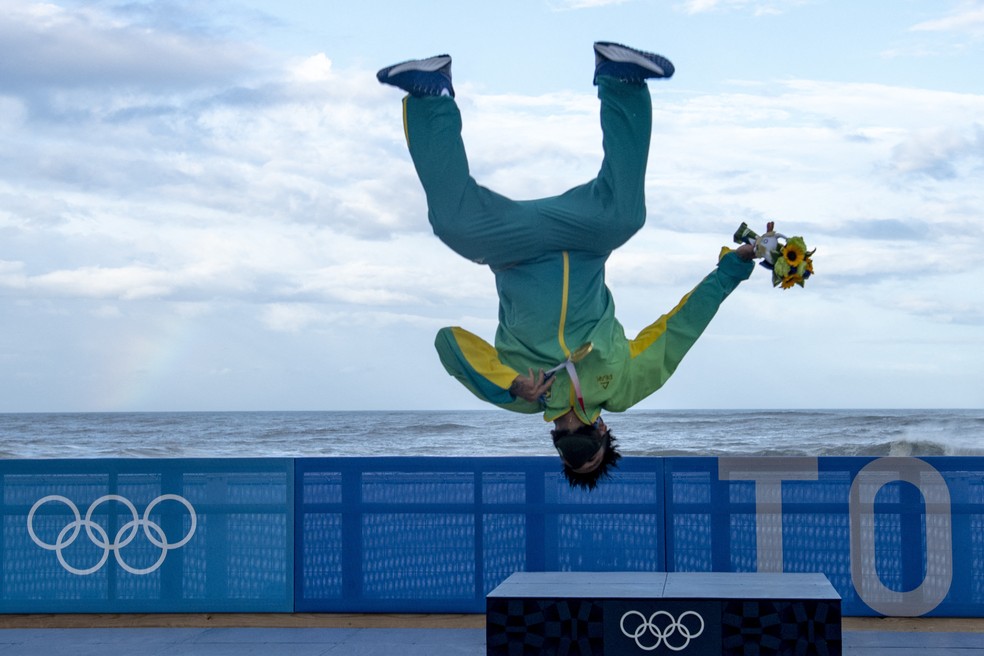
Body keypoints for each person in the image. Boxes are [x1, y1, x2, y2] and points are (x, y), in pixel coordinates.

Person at [377, 42, 755, 490]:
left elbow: (449, 343)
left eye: (568, 452)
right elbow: (679, 330)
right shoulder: (623, 388)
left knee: (453, 225)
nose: (574, 442)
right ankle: (619, 80)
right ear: (603, 433)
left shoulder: (518, 398)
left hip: (512, 250)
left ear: (555, 444)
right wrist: (733, 268)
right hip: (584, 244)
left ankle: (430, 93)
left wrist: (511, 382)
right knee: (626, 216)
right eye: (587, 452)